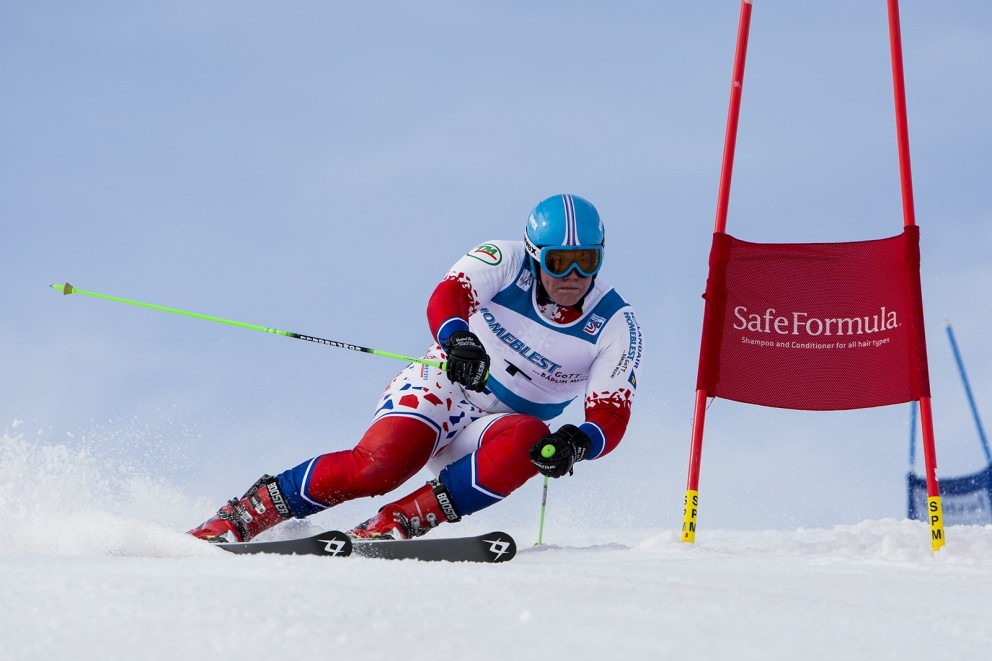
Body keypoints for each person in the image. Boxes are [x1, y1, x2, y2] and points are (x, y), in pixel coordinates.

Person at [188, 193, 644, 543]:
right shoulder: (504, 260)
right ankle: (247, 513)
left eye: (587, 261)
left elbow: (611, 414)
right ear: (534, 253)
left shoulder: (615, 324)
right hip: (444, 386)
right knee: (380, 469)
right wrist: (458, 339)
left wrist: (577, 443)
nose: (572, 276)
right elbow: (448, 296)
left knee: (532, 440)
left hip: (497, 429)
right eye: (559, 262)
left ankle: (397, 522)